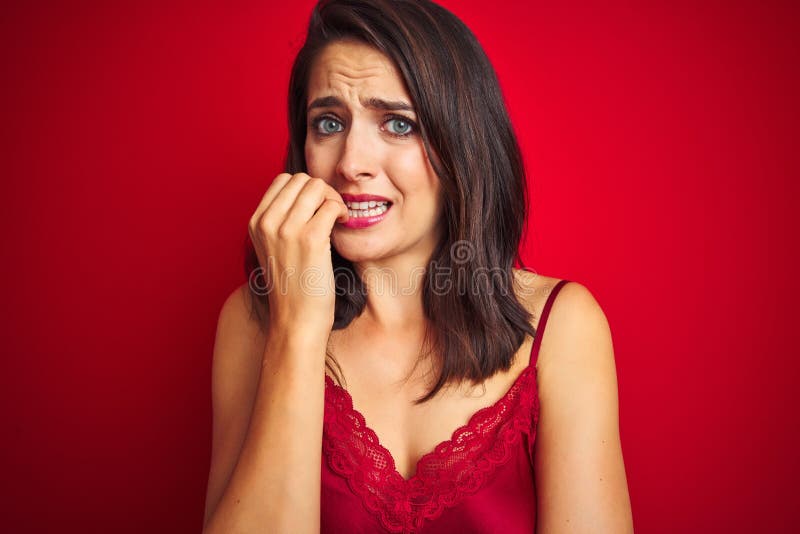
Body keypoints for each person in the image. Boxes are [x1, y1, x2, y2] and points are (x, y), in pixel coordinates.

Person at [202, 0, 634, 532]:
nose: (350, 163)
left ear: (461, 144)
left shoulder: (564, 327)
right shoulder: (253, 322)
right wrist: (297, 332)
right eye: (329, 122)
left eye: (398, 124)